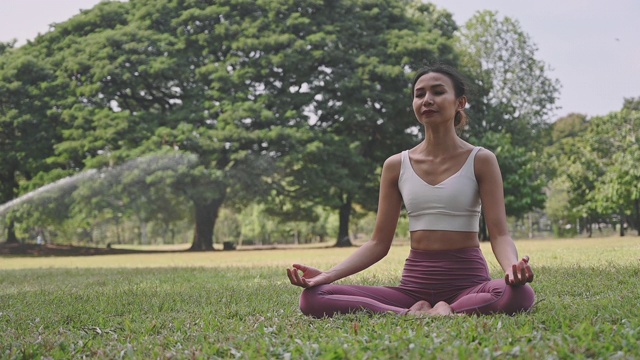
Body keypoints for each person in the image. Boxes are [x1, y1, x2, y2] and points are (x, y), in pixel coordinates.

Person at [286, 65, 535, 317]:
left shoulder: (481, 159)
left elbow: (500, 234)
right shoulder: (396, 165)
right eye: (419, 94)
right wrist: (328, 275)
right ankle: (415, 312)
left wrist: (511, 269)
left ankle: (440, 309)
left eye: (438, 92)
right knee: (313, 297)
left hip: (469, 284)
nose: (427, 100)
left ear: (460, 102)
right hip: (413, 288)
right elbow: (377, 243)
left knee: (520, 293)